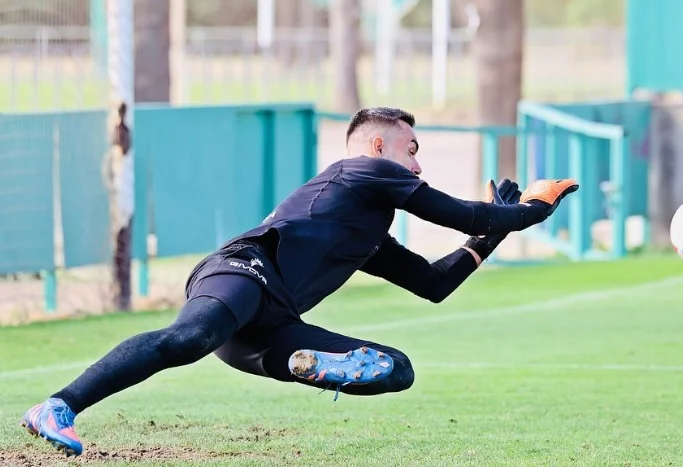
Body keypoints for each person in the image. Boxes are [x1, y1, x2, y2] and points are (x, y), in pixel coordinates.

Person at [20, 107, 578, 457]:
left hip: (271, 324)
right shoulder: (365, 169)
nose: (416, 166)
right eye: (412, 150)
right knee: (187, 340)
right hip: (243, 270)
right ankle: (58, 407)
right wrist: (527, 211)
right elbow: (465, 215)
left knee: (397, 369)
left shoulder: (364, 232)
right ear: (379, 145)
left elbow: (434, 283)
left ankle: (308, 363)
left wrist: (495, 230)